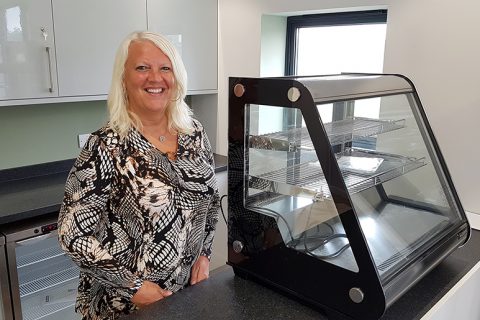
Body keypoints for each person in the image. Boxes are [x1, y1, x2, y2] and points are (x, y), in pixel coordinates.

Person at [58, 31, 220, 320]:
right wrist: (133, 287)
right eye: (142, 68)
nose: (155, 78)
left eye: (165, 68)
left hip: (182, 298)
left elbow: (210, 205)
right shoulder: (106, 146)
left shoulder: (194, 133)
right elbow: (72, 234)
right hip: (123, 307)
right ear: (124, 79)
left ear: (176, 77)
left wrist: (205, 255)